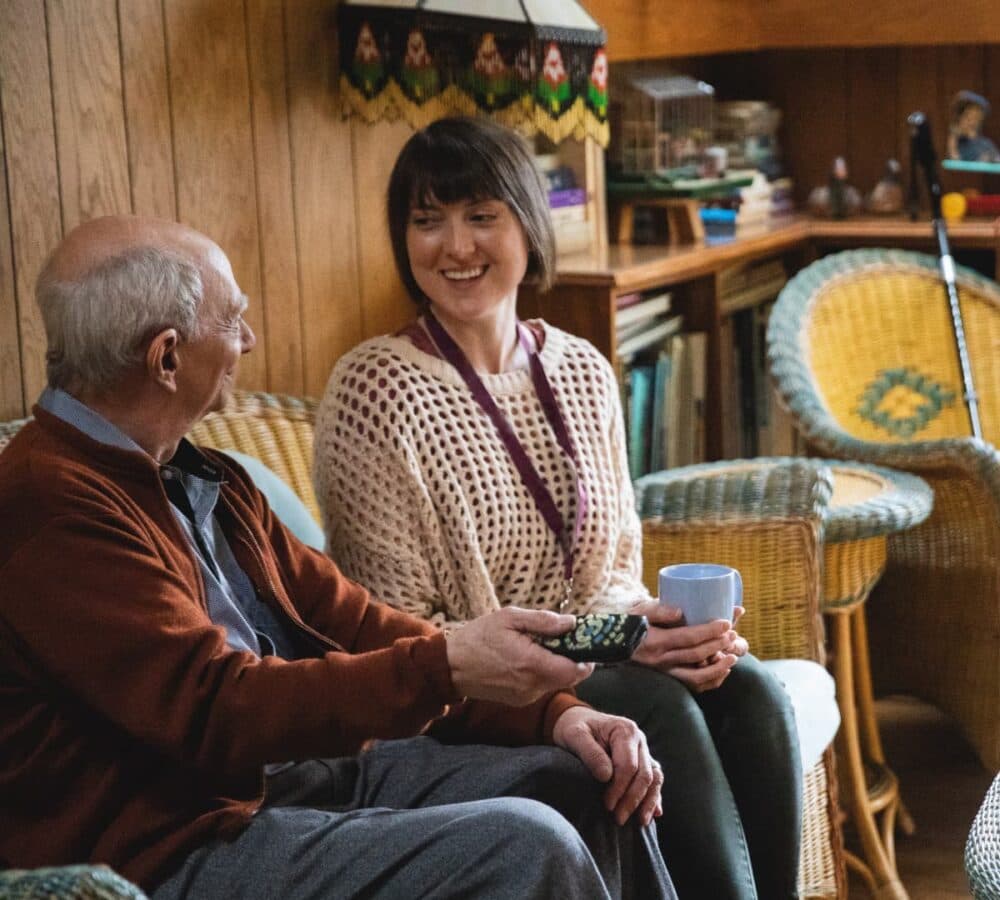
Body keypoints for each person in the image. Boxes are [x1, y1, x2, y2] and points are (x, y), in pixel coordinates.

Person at [0, 214, 677, 900]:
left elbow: (356, 624)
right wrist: (446, 667)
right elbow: (217, 709)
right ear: (166, 357)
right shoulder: (48, 506)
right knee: (527, 844)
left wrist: (557, 714)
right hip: (176, 844)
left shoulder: (205, 479)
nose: (249, 340)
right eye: (232, 320)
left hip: (295, 780)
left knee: (585, 778)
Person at [315, 116, 803, 900]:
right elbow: (401, 630)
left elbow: (612, 572)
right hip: (477, 695)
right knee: (651, 706)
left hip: (599, 661)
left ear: (527, 225)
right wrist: (617, 649)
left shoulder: (581, 368)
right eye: (426, 219)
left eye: (481, 215)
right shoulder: (375, 391)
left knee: (754, 694)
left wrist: (657, 633)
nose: (455, 246)